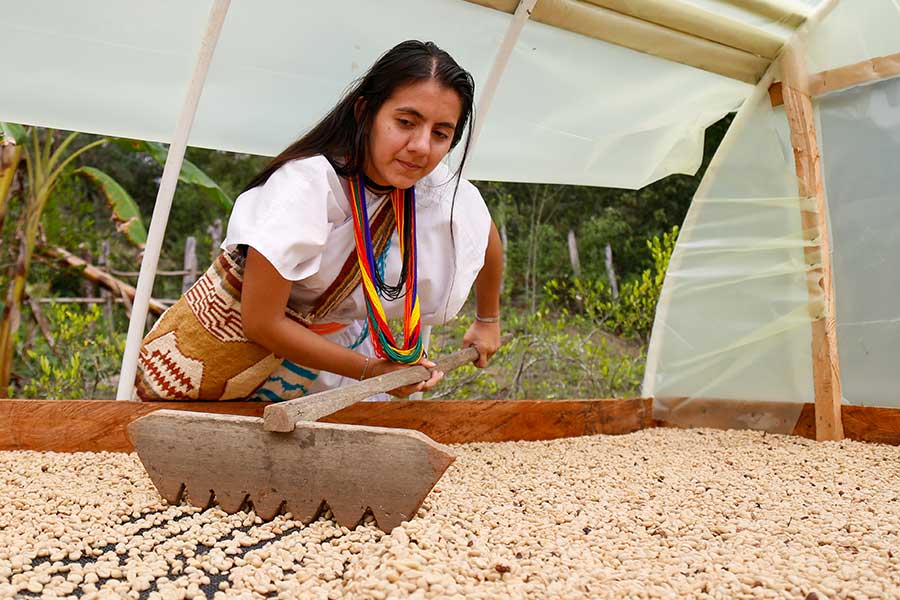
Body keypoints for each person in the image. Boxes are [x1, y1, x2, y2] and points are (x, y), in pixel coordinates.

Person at [135, 40, 503, 402]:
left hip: (347, 351)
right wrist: (369, 371)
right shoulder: (304, 187)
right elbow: (262, 321)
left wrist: (488, 320)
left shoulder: (432, 186)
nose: (422, 146)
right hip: (261, 358)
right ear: (365, 112)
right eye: (406, 122)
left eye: (441, 133)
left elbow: (482, 233)